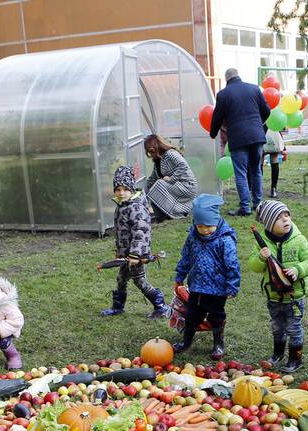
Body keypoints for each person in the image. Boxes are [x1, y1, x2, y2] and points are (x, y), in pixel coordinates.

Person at [247, 200, 308, 372]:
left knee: (293, 328)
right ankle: (277, 354)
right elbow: (254, 266)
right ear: (270, 224)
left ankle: (295, 358)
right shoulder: (262, 242)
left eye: (287, 215)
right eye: (279, 217)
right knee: (277, 327)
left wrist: (299, 269)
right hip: (274, 295)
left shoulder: (298, 240)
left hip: (295, 295)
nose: (286, 220)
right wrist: (261, 258)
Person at [173, 194, 241, 360]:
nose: (204, 230)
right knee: (191, 315)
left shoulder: (224, 240)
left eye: (208, 226)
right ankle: (186, 341)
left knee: (216, 316)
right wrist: (180, 275)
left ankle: (218, 343)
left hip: (217, 289)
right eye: (200, 226)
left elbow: (232, 264)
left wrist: (232, 285)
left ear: (216, 221)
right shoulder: (193, 237)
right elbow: (186, 257)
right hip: (196, 286)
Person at [102, 166, 168, 319]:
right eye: (117, 189)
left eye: (125, 189)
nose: (121, 192)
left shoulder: (136, 208)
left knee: (139, 280)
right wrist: (120, 252)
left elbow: (140, 233)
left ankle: (161, 306)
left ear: (131, 188)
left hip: (136, 255)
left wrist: (134, 254)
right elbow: (122, 232)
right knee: (121, 278)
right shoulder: (122, 205)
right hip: (126, 255)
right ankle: (118, 307)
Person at [209, 68, 272, 216]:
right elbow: (267, 110)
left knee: (241, 173)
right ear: (238, 75)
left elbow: (217, 117)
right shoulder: (254, 89)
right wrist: (257, 124)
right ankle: (258, 204)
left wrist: (213, 133)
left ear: (227, 79)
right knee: (256, 170)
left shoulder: (223, 94)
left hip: (238, 139)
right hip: (257, 137)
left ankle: (245, 207)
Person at [143, 134, 199, 221]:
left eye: (151, 151)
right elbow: (152, 179)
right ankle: (160, 217)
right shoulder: (158, 160)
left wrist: (171, 179)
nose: (150, 154)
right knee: (153, 185)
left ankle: (164, 216)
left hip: (187, 186)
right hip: (176, 186)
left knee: (159, 184)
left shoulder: (170, 153)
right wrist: (141, 194)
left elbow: (183, 166)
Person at [263, 127, 287, 198]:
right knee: (274, 158)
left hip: (263, 131)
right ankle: (273, 189)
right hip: (274, 131)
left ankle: (258, 189)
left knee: (261, 159)